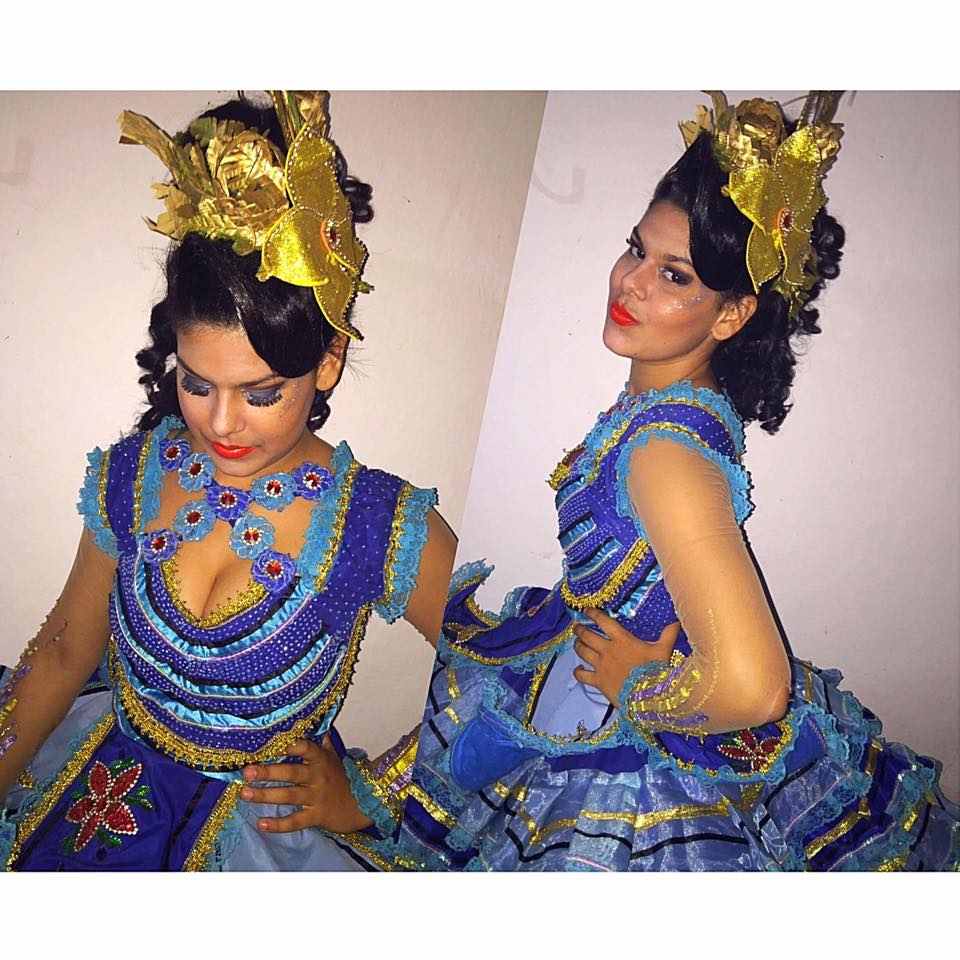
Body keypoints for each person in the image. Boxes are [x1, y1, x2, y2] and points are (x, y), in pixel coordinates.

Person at [396, 92, 960, 871]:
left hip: (629, 737)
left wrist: (640, 686)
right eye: (637, 249)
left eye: (673, 274)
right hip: (585, 660)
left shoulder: (664, 449)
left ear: (730, 316)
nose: (631, 283)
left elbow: (755, 689)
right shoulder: (671, 409)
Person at [0, 91, 456, 871]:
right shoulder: (135, 474)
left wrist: (372, 794)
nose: (220, 423)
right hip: (92, 798)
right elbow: (67, 647)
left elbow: (497, 666)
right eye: (196, 382)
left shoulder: (376, 523)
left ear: (328, 362)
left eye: (261, 392)